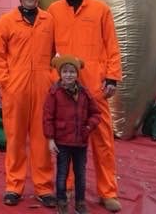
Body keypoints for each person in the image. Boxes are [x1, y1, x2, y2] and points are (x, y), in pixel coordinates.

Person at [47, 0, 123, 213]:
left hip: (95, 86)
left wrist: (111, 77)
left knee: (103, 141)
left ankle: (108, 191)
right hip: (66, 88)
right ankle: (67, 188)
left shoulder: (101, 9)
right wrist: (53, 77)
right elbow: (47, 49)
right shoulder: (54, 11)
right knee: (67, 140)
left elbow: (112, 45)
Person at [0, 0, 56, 207]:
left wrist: (52, 79)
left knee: (42, 139)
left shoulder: (49, 20)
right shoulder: (7, 21)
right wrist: (6, 83)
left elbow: (58, 53)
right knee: (16, 139)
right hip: (15, 88)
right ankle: (14, 186)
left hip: (42, 87)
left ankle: (44, 187)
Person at [43, 55, 101, 214]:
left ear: (77, 73)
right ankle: (61, 202)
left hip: (80, 143)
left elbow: (96, 114)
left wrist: (88, 127)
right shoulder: (54, 93)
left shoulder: (84, 93)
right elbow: (48, 118)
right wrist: (50, 139)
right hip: (62, 142)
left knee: (80, 175)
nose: (69, 75)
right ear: (60, 74)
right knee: (62, 174)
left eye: (72, 71)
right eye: (65, 71)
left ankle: (80, 202)